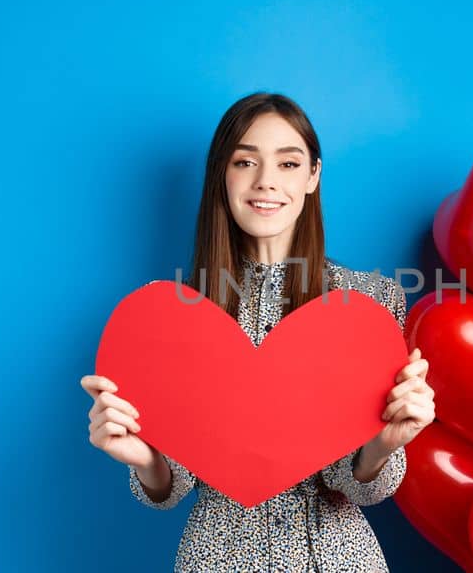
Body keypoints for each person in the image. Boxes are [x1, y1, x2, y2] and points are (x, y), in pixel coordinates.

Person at [80, 92, 436, 572]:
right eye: (245, 161)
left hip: (336, 559)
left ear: (313, 176)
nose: (266, 182)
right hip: (216, 558)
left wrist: (385, 445)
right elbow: (173, 484)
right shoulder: (174, 314)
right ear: (222, 175)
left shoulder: (369, 303)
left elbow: (358, 483)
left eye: (288, 164)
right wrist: (143, 458)